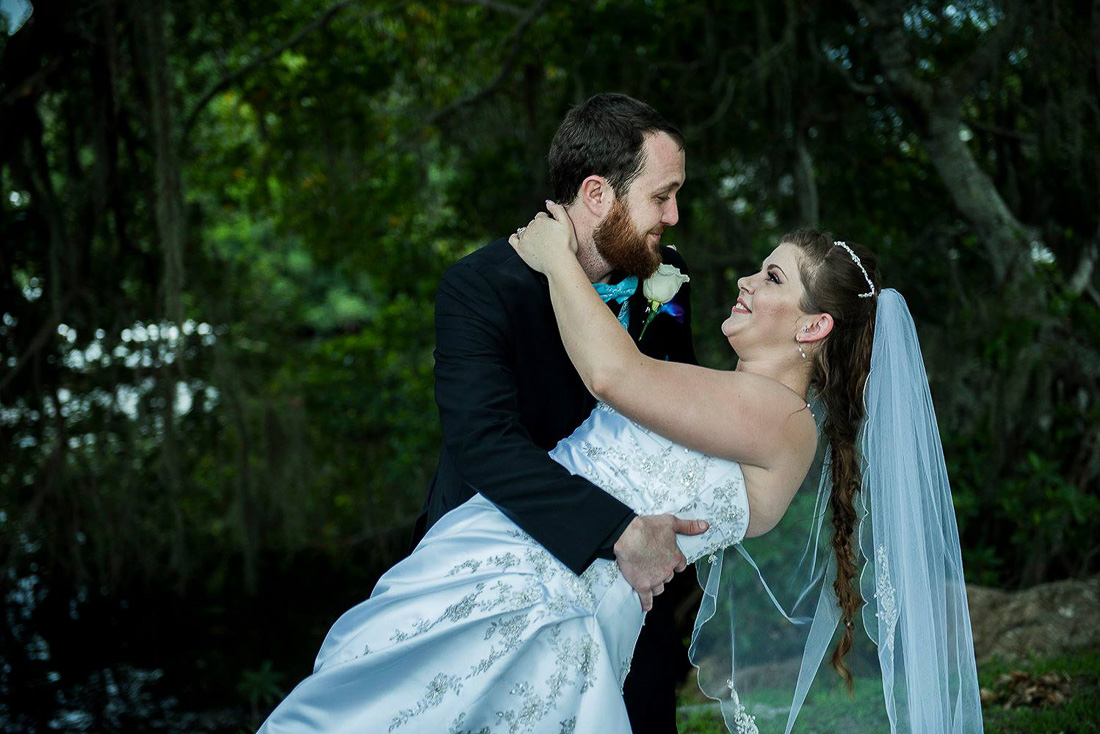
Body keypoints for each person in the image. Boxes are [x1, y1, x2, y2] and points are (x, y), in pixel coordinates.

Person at [411, 92, 704, 732]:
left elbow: (675, 402)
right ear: (597, 194)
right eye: (662, 196)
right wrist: (614, 528)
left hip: (636, 581)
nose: (675, 216)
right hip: (496, 568)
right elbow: (485, 444)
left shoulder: (668, 277)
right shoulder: (479, 287)